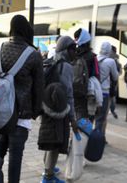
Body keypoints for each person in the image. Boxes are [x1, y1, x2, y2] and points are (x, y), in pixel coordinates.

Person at [0, 15, 44, 183]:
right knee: (15, 158)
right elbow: (39, 87)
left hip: (0, 112)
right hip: (21, 115)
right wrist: (35, 112)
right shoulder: (33, 54)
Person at [39, 36, 78, 183]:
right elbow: (69, 95)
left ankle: (49, 168)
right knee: (55, 142)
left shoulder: (50, 61)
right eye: (72, 49)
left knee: (50, 138)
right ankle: (48, 177)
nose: (75, 52)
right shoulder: (66, 66)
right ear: (65, 50)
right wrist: (73, 118)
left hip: (46, 106)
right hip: (59, 109)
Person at [73, 28, 99, 121]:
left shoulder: (73, 54)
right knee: (87, 116)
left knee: (75, 115)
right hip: (87, 91)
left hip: (73, 89)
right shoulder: (92, 56)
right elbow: (96, 73)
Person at [95, 41, 119, 137]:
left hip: (94, 91)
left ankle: (89, 137)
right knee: (101, 118)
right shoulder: (110, 61)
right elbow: (115, 76)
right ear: (109, 50)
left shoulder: (95, 58)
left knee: (93, 116)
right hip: (104, 92)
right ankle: (97, 139)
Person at [109, 45, 122, 119]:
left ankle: (111, 110)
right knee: (112, 97)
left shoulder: (113, 60)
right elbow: (119, 71)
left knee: (111, 97)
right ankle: (112, 110)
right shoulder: (116, 59)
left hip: (111, 81)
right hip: (114, 81)